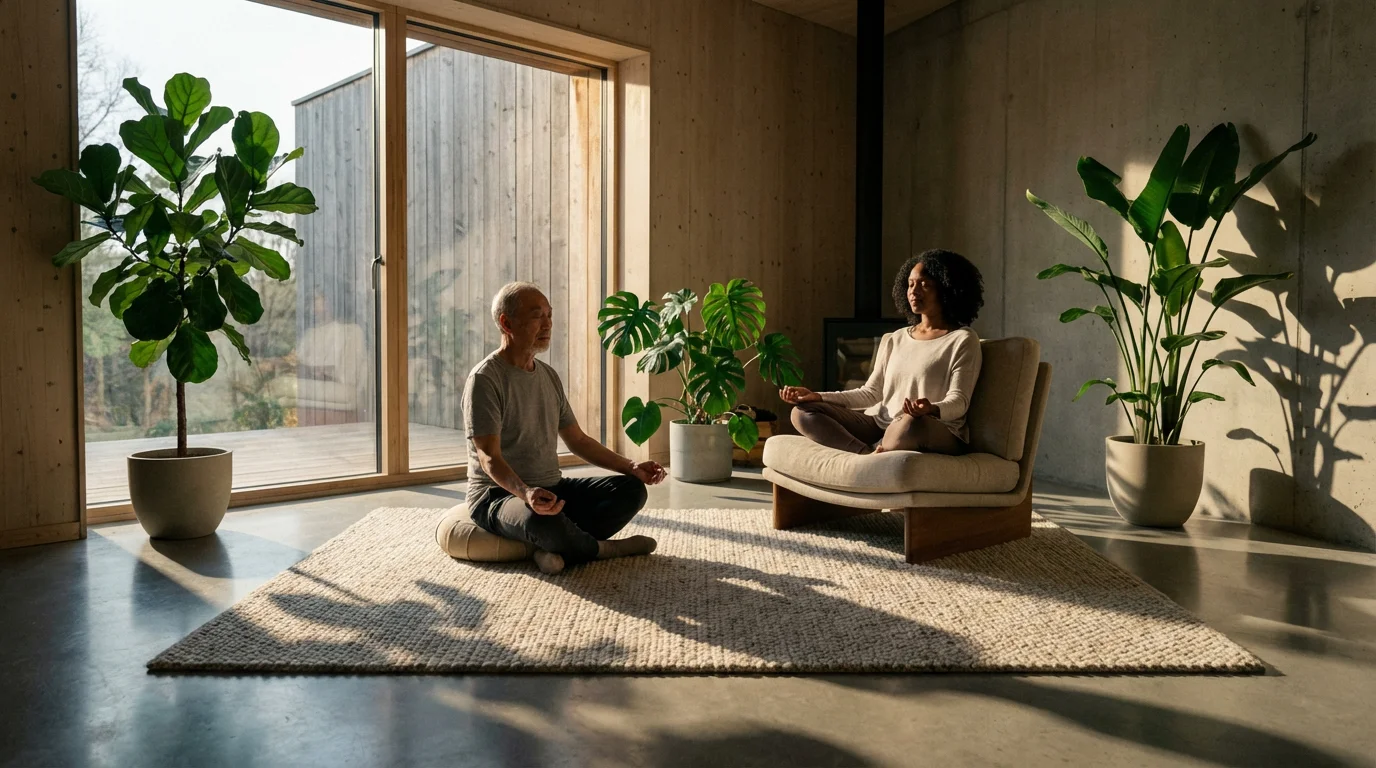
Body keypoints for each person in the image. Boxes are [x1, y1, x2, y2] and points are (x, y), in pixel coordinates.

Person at [464, 281, 667, 575]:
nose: (547, 324)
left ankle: (552, 547)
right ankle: (602, 550)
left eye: (549, 314)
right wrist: (526, 492)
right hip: (498, 496)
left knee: (631, 491)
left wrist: (632, 466)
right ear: (507, 323)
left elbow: (579, 441)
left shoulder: (548, 376)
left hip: (551, 490)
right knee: (539, 519)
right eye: (537, 316)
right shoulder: (485, 379)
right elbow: (489, 458)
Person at [782, 249, 984, 455]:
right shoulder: (894, 338)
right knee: (802, 413)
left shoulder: (963, 339)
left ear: (947, 288)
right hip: (883, 424)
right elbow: (871, 393)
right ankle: (865, 456)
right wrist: (816, 396)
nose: (914, 291)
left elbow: (960, 402)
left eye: (925, 284)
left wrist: (931, 409)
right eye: (911, 284)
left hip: (928, 427)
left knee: (911, 422)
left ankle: (880, 451)